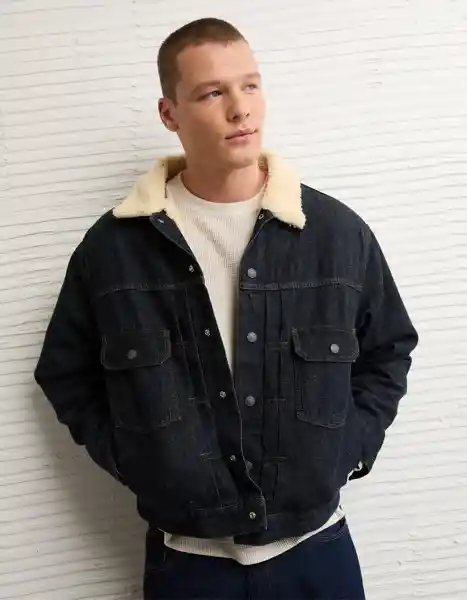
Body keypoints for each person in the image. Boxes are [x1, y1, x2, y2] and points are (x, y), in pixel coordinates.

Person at [34, 17, 419, 600]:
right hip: (188, 567)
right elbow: (66, 373)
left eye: (250, 85)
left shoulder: (336, 236)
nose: (241, 109)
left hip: (317, 555)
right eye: (212, 93)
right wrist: (141, 461)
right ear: (169, 114)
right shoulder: (114, 251)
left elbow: (388, 350)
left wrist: (348, 448)